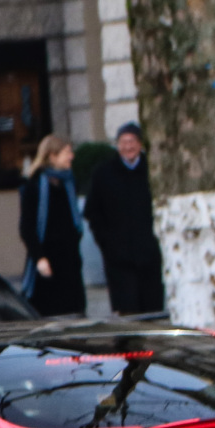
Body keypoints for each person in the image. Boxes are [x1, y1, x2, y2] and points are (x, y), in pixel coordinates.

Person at [85, 121, 166, 316]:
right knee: (127, 313)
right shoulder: (103, 173)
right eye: (123, 142)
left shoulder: (153, 170)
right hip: (119, 259)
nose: (128, 147)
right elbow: (93, 212)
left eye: (132, 141)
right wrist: (107, 244)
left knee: (152, 312)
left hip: (150, 257)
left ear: (140, 144)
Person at [17, 134, 86, 317]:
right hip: (47, 265)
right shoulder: (33, 186)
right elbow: (27, 228)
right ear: (52, 156)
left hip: (70, 263)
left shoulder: (69, 183)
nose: (71, 156)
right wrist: (39, 258)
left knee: (75, 315)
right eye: (67, 152)